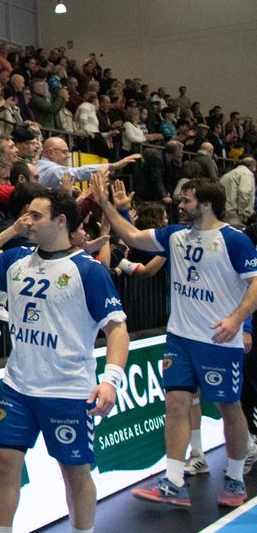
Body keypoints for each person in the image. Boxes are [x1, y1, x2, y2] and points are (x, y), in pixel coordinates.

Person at [0, 189, 129, 533]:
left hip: (68, 391)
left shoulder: (88, 270)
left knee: (74, 472)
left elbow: (117, 330)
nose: (27, 220)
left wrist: (110, 380)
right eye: (26, 215)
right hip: (17, 387)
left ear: (61, 221)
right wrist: (7, 233)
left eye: (35, 216)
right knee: (4, 463)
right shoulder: (14, 260)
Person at [91, 170, 257, 508]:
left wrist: (238, 319)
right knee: (176, 403)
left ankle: (236, 479)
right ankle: (174, 480)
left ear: (207, 204)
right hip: (180, 337)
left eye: (187, 199)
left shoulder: (235, 240)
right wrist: (107, 206)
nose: (180, 204)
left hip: (219, 340)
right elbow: (133, 236)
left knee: (229, 407)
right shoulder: (175, 235)